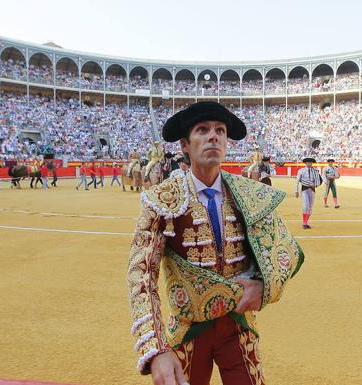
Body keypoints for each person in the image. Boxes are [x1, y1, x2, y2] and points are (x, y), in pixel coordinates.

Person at [127, 101, 305, 385]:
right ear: (185, 144)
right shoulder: (161, 199)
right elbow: (141, 275)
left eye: (220, 131)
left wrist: (264, 285)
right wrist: (156, 349)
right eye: (203, 130)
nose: (214, 136)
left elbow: (285, 250)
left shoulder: (248, 194)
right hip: (187, 330)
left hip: (238, 326)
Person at [294, 157, 323, 229]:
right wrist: (296, 191)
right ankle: (304, 222)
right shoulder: (301, 171)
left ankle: (306, 222)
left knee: (310, 206)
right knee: (305, 205)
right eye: (308, 163)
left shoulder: (315, 171)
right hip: (304, 189)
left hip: (312, 190)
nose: (309, 164)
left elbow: (319, 181)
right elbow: (297, 181)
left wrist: (316, 184)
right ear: (305, 163)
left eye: (310, 163)